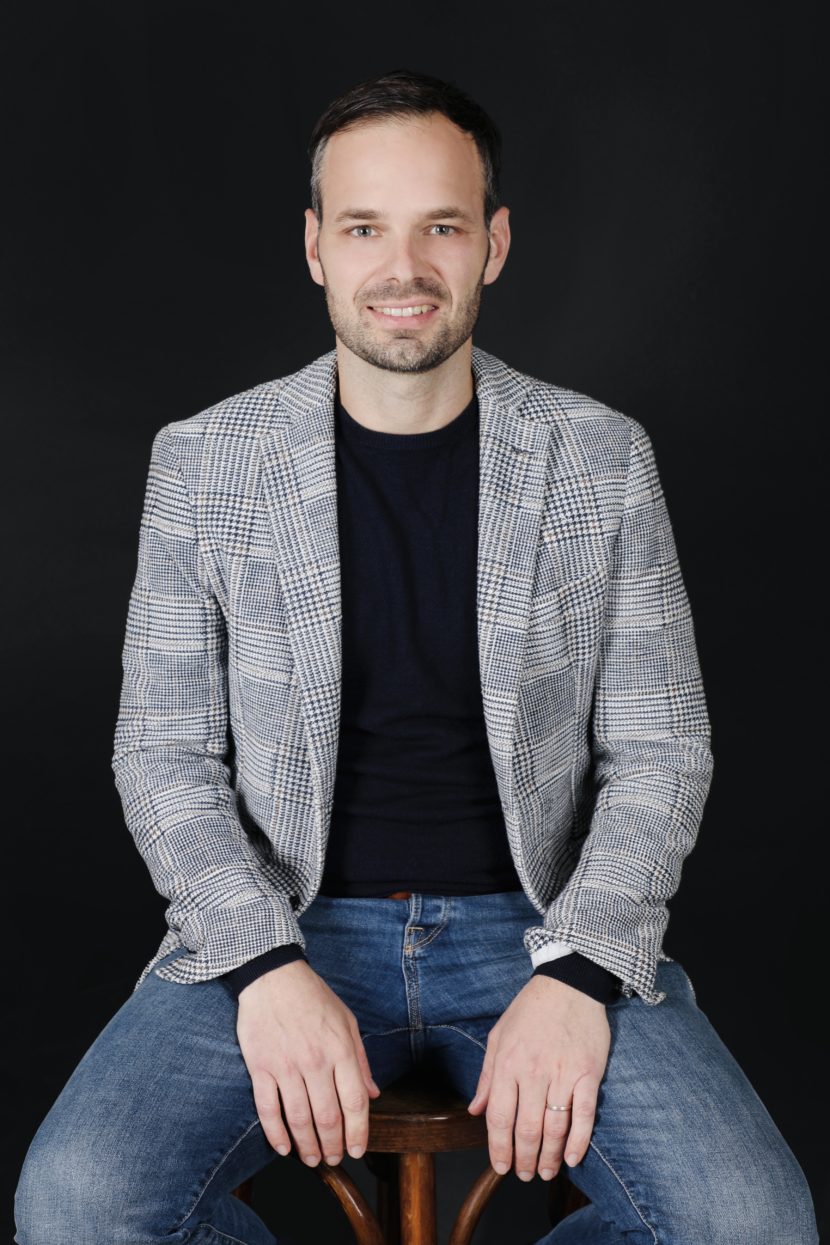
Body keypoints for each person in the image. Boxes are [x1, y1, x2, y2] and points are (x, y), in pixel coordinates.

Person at [14, 68, 818, 1245]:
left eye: (440, 226)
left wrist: (578, 973)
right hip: (288, 922)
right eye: (363, 229)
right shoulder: (204, 461)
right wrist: (262, 967)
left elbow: (659, 750)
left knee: (748, 1223)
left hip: (534, 925)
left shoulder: (599, 457)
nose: (403, 267)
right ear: (313, 248)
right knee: (78, 1201)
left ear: (494, 243)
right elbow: (163, 753)